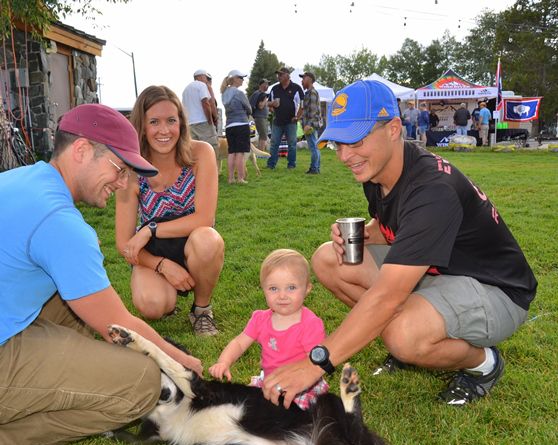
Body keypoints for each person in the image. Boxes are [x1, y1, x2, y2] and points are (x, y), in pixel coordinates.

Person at [262, 80, 537, 409]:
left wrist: (314, 364)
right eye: (338, 143)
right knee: (327, 258)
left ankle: (483, 364)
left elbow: (386, 297)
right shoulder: (379, 172)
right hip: (440, 272)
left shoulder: (433, 190)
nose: (345, 155)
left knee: (402, 333)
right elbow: (390, 226)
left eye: (356, 140)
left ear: (393, 129)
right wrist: (364, 233)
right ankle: (417, 336)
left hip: (495, 290)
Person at [0, 103, 204, 445]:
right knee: (142, 382)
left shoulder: (23, 179)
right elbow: (118, 324)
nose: (124, 184)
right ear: (80, 151)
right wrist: (183, 364)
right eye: (119, 169)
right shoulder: (61, 223)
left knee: (69, 305)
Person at [115, 86, 224, 336]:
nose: (164, 130)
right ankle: (166, 292)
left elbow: (205, 218)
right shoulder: (131, 169)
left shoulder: (201, 153)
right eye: (154, 122)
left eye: (171, 121)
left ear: (182, 123)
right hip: (154, 251)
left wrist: (150, 229)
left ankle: (201, 310)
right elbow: (124, 244)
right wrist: (161, 265)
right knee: (152, 306)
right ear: (141, 126)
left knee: (209, 239)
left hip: (192, 240)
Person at [209, 249, 328, 410]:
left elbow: (314, 363)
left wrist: (294, 383)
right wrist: (224, 362)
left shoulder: (310, 324)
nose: (282, 295)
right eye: (273, 289)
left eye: (291, 287)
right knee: (249, 411)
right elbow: (239, 343)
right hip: (269, 381)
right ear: (263, 289)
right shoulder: (260, 319)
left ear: (307, 288)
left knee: (295, 422)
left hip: (302, 385)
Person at [266, 67, 304, 170]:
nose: (279, 77)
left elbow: (302, 104)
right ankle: (271, 164)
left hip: (291, 121)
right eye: (278, 75)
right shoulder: (274, 88)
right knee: (274, 144)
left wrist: (298, 117)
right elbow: (268, 103)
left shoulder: (296, 88)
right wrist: (271, 105)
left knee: (292, 144)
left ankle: (291, 165)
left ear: (287, 75)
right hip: (277, 121)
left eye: (281, 75)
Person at [220, 70, 252, 184]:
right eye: (241, 78)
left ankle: (230, 179)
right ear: (235, 79)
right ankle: (240, 178)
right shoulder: (239, 93)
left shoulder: (224, 94)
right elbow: (249, 108)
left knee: (231, 152)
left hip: (229, 126)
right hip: (241, 124)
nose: (243, 80)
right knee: (240, 153)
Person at [181, 69, 219, 160]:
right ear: (202, 76)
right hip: (202, 122)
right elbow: (206, 103)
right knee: (211, 149)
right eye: (207, 78)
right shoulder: (202, 86)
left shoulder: (186, 89)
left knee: (194, 151)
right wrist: (210, 120)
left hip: (189, 124)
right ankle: (211, 171)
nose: (207, 81)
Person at [299, 71, 323, 174]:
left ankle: (314, 169)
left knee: (314, 147)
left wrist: (308, 124)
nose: (302, 81)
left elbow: (313, 111)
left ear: (309, 79)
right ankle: (316, 168)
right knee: (315, 147)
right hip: (312, 124)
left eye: (303, 79)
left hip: (311, 125)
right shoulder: (309, 92)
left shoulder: (312, 92)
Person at [249, 78, 270, 151]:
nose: (267, 85)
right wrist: (265, 100)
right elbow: (260, 106)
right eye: (266, 84)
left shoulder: (255, 93)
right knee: (263, 135)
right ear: (262, 85)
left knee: (261, 135)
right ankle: (261, 153)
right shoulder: (262, 94)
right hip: (260, 117)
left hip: (256, 117)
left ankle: (259, 151)